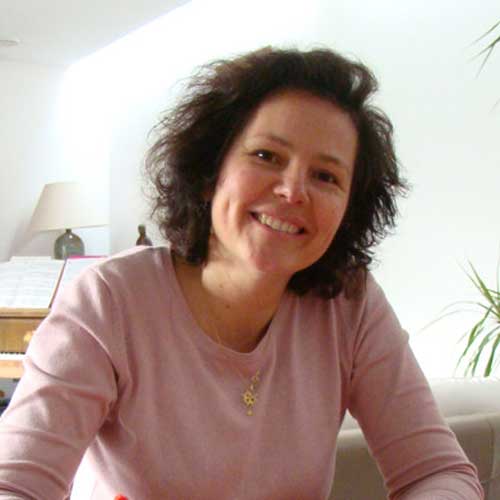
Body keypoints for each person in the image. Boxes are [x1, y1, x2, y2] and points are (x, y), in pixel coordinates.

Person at [0, 47, 483, 499]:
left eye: (325, 176)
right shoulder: (110, 300)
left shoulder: (351, 305)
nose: (293, 191)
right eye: (266, 156)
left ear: (348, 211)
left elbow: (438, 472)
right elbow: (16, 484)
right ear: (210, 173)